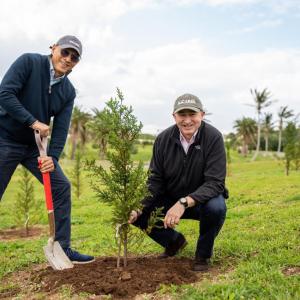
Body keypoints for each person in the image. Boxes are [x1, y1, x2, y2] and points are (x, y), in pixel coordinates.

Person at [0, 35, 94, 264]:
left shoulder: (68, 91)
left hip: (35, 149)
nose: (68, 59)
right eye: (65, 52)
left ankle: (62, 248)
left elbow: (60, 130)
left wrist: (52, 157)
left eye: (74, 57)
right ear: (54, 48)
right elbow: (4, 94)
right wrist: (33, 121)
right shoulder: (29, 63)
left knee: (61, 186)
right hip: (5, 138)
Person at [128, 93, 228, 271]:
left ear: (202, 115)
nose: (187, 120)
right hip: (170, 198)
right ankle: (174, 242)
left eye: (192, 114)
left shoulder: (213, 137)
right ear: (174, 116)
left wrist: (184, 202)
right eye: (182, 115)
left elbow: (215, 183)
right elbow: (155, 180)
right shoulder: (163, 139)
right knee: (139, 211)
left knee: (217, 207)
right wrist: (138, 206)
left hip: (201, 201)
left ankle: (202, 255)